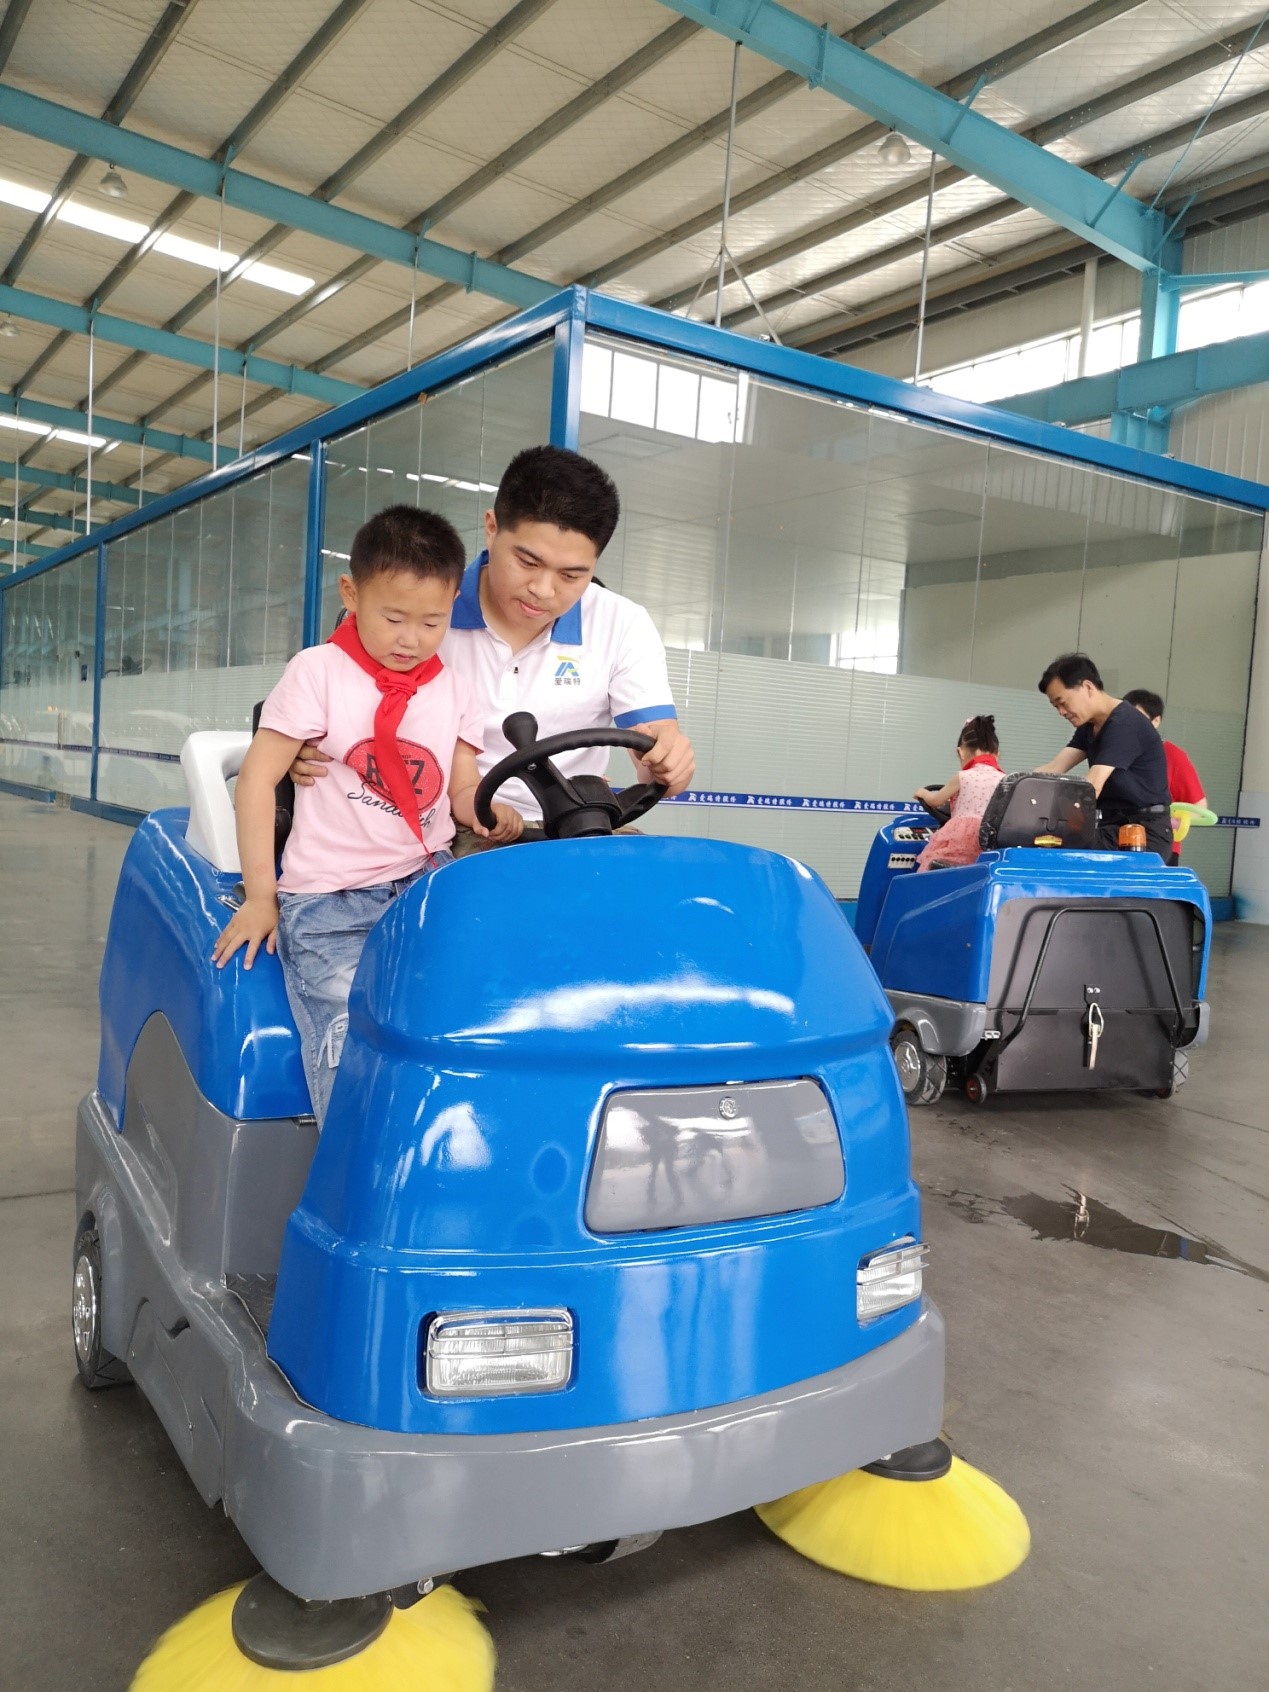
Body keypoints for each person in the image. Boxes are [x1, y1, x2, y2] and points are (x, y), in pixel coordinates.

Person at [210, 506, 522, 1124]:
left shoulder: (455, 689)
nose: (411, 639)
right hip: (330, 898)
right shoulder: (318, 672)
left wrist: (488, 809)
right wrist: (262, 897)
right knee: (349, 1034)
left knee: (472, 1005)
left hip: (425, 881)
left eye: (431, 622)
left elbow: (460, 788)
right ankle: (355, 1162)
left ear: (452, 604)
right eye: (393, 618)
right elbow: (258, 781)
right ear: (351, 594)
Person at [288, 446, 695, 848]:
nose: (543, 590)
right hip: (451, 825)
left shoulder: (622, 623)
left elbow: (654, 750)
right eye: (528, 562)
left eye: (571, 575)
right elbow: (334, 708)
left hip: (579, 825)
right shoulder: (421, 614)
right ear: (492, 527)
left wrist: (668, 764)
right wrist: (305, 748)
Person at [1035, 653, 1172, 857]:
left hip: (1142, 834)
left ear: (1087, 687)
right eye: (1056, 706)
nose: (1061, 712)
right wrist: (1010, 787)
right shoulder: (1090, 725)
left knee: (1057, 845)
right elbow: (1054, 768)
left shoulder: (1124, 723)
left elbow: (1093, 785)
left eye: (1062, 702)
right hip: (1113, 827)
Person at [1124, 688, 1206, 866]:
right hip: (1120, 843)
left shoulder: (1173, 755)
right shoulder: (1117, 752)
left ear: (1156, 721)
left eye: (1138, 717)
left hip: (1160, 846)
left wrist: (1166, 821)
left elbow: (1200, 807)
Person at [913, 714, 1005, 871]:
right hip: (989, 844)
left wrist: (922, 793)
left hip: (960, 843)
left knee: (929, 865)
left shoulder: (963, 777)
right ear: (997, 754)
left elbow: (936, 801)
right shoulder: (1004, 779)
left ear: (961, 752)